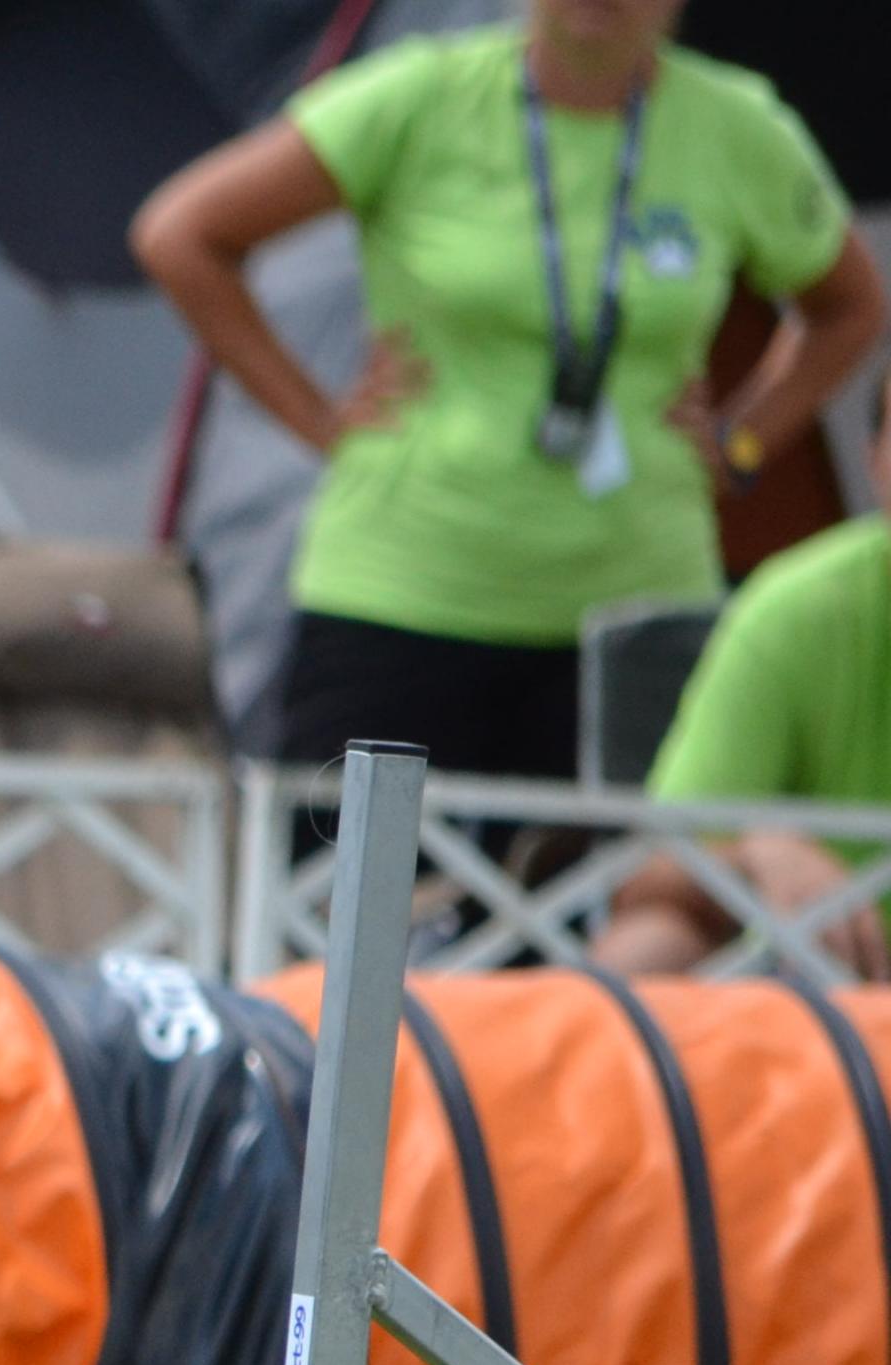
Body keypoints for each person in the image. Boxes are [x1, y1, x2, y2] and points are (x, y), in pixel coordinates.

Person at [132, 0, 882, 783]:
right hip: (401, 593)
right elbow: (180, 234)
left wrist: (744, 440)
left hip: (634, 605)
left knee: (641, 861)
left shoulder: (738, 126)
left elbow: (850, 307)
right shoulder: (418, 95)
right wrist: (316, 419)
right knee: (357, 862)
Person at [599, 380, 891, 976]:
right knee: (650, 943)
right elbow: (641, 881)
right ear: (874, 463)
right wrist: (756, 854)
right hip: (829, 992)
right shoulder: (796, 611)